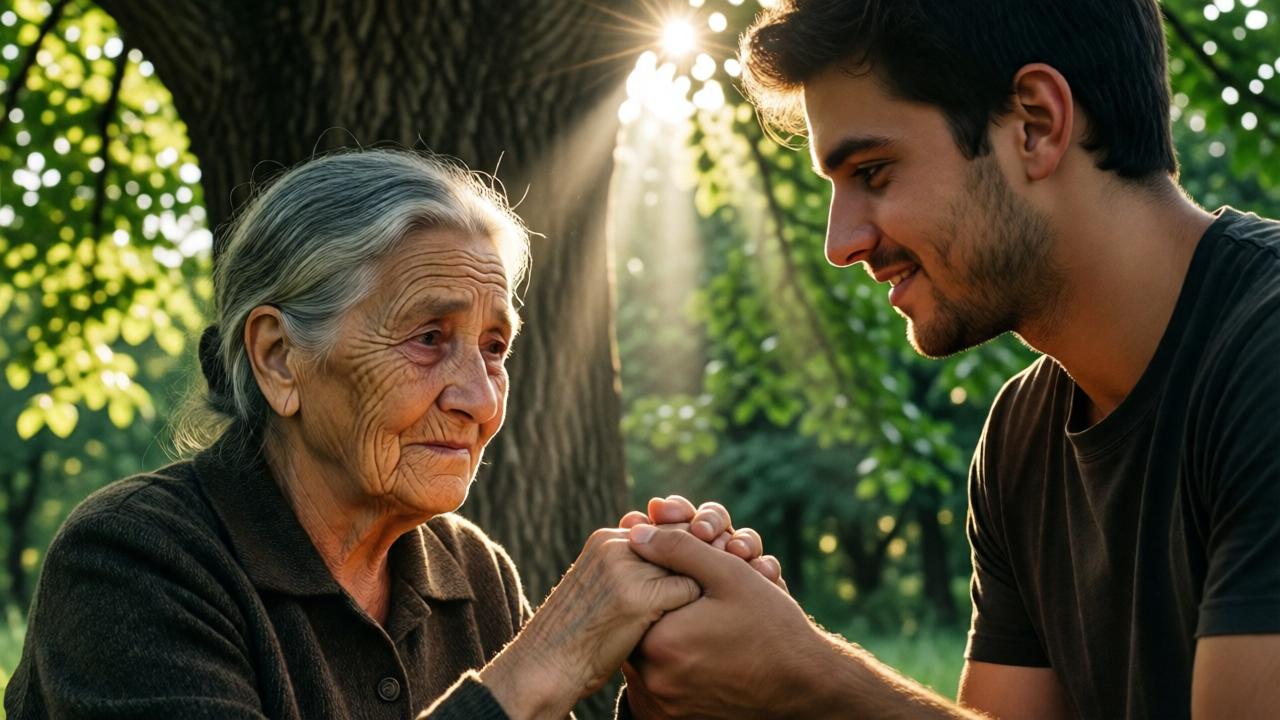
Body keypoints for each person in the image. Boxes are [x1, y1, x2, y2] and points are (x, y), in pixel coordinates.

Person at [619, 1, 1280, 718]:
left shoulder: (1266, 358)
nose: (840, 244)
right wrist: (753, 673)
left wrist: (809, 677)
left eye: (873, 171)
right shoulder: (1020, 440)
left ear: (1036, 124)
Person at [2, 150, 773, 719]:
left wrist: (672, 693)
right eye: (429, 337)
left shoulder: (470, 570)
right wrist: (544, 663)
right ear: (279, 358)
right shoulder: (133, 562)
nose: (477, 398)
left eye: (495, 347)